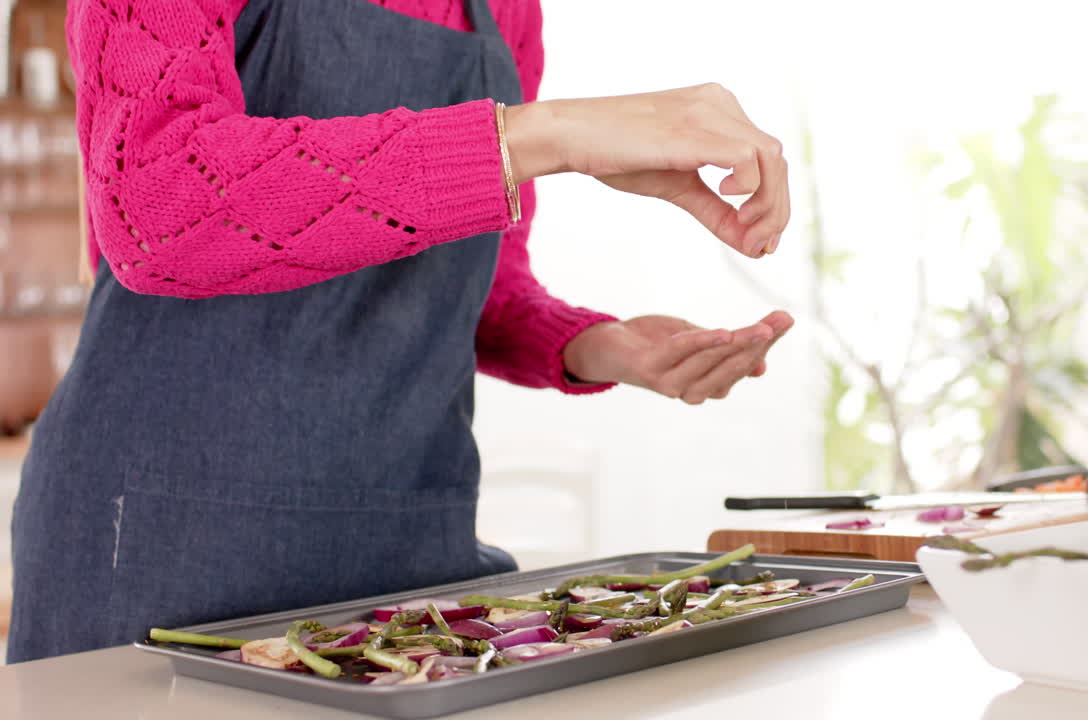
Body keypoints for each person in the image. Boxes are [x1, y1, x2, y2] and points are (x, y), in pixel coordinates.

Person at [7, 0, 792, 663]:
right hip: (163, 543)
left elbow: (478, 280)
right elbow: (158, 205)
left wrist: (599, 346)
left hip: (409, 548)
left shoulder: (507, 11)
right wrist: (548, 137)